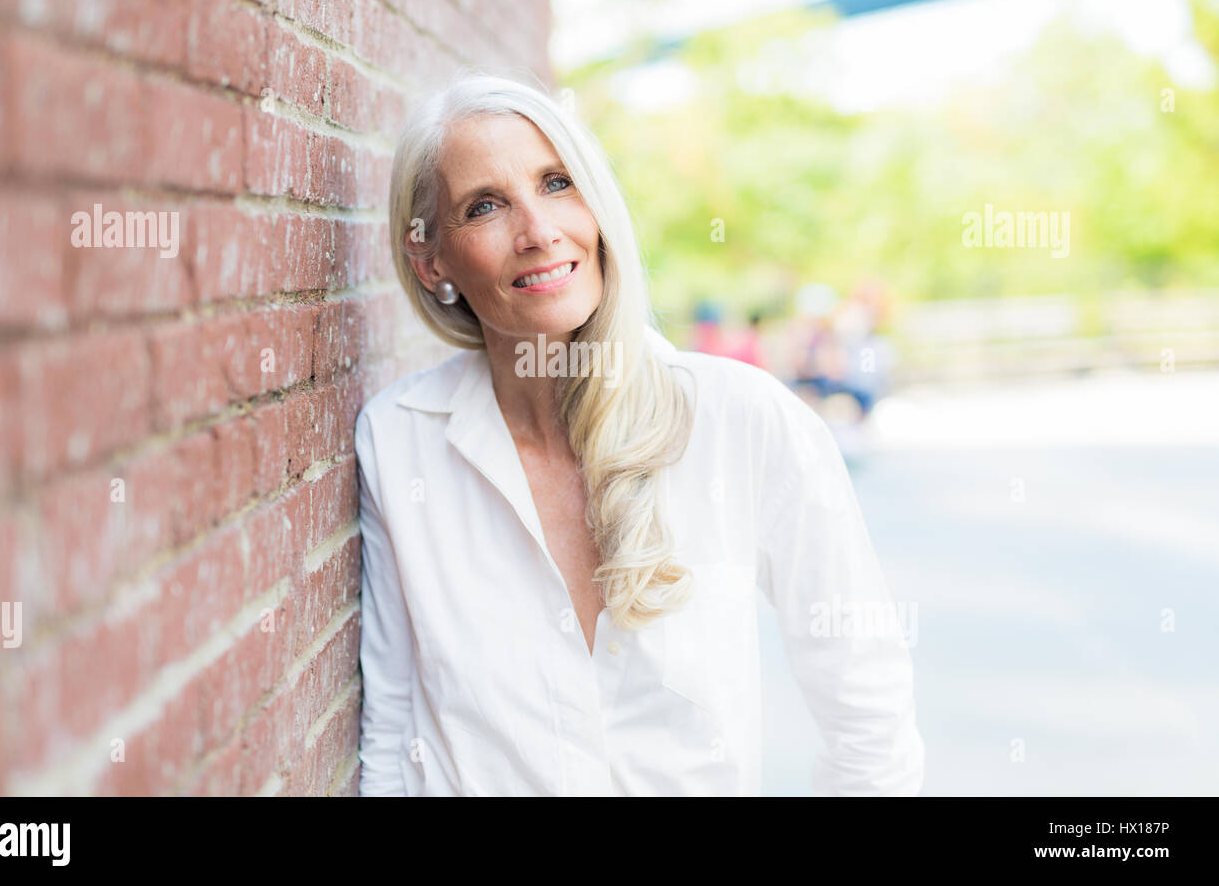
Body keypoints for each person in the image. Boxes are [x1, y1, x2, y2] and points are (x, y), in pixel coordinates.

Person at [355, 70, 925, 796]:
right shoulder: (401, 443)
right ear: (430, 259)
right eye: (485, 206)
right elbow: (393, 729)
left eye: (557, 183)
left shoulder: (741, 418)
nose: (538, 231)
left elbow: (867, 707)